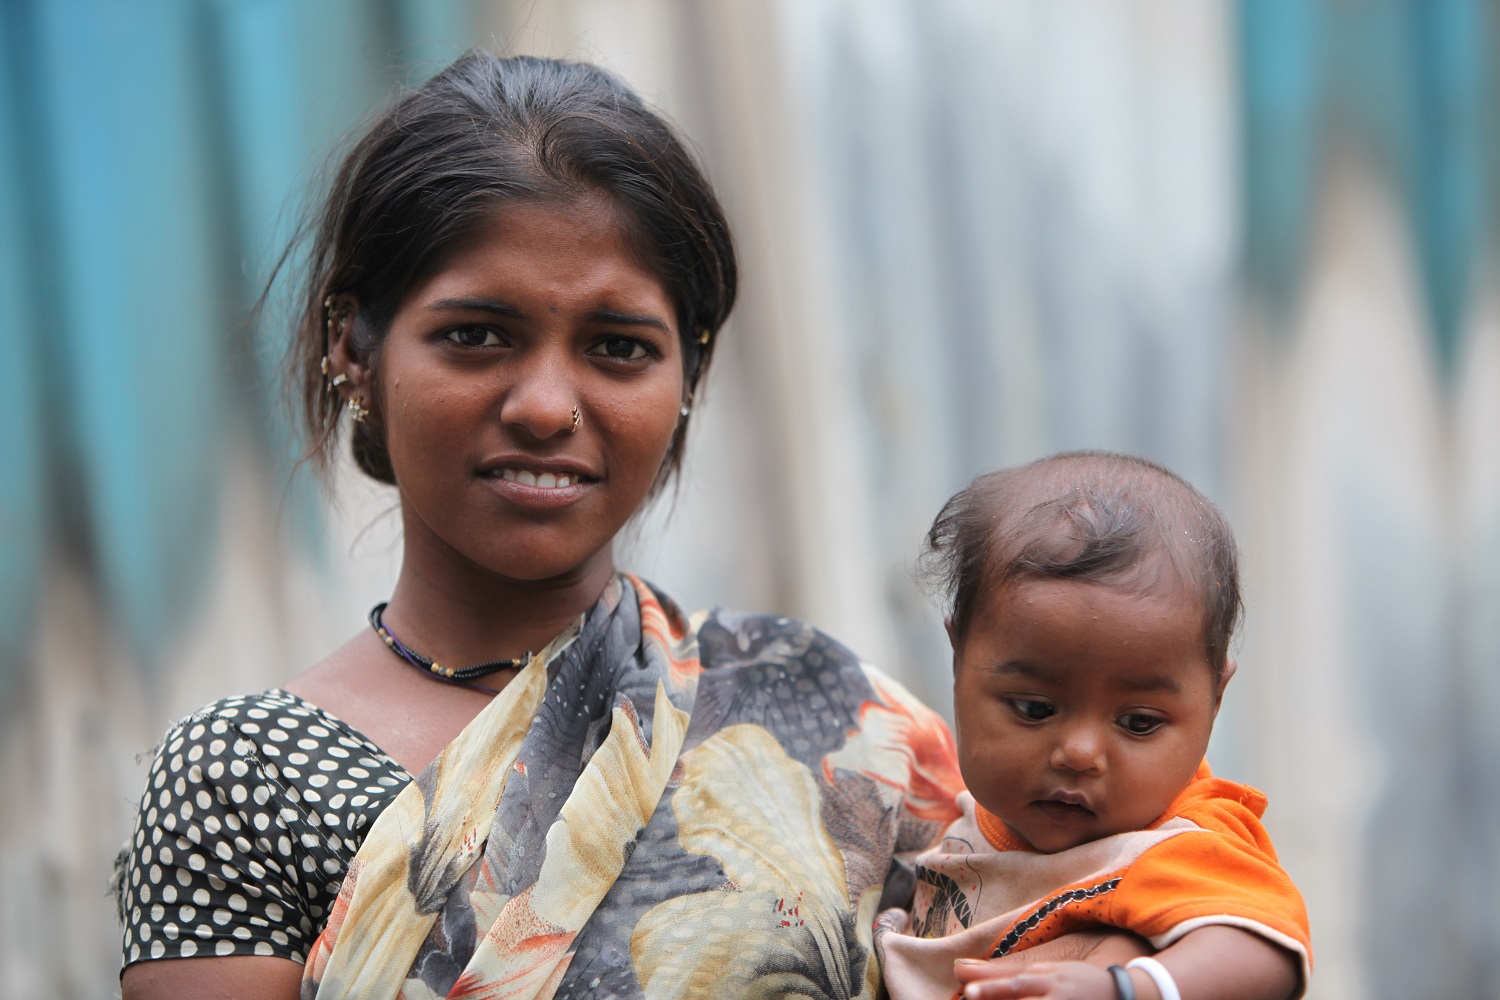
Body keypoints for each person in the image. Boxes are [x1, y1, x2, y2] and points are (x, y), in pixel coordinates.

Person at [113, 52, 973, 1000]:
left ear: (685, 377)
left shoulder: (829, 714)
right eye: (477, 334)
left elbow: (1081, 925)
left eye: (618, 348)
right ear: (351, 350)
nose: (547, 406)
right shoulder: (242, 781)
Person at [874, 452, 1312, 1000]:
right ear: (959, 656)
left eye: (1138, 722)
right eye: (1035, 709)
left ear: (1216, 698)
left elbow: (1266, 949)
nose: (1079, 753)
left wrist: (1127, 989)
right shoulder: (967, 811)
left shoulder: (1173, 845)